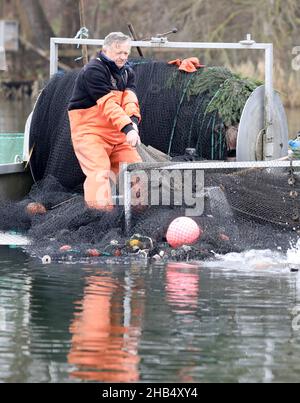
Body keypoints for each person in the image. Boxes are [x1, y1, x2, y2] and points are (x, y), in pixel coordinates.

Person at [68, 32, 142, 210]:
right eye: (118, 52)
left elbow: (130, 100)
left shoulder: (127, 72)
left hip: (117, 134)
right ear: (105, 50)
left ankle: (140, 215)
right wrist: (128, 128)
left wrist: (133, 124)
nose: (123, 57)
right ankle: (99, 219)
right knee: (99, 173)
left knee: (137, 172)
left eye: (126, 53)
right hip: (90, 133)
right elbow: (108, 104)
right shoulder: (94, 70)